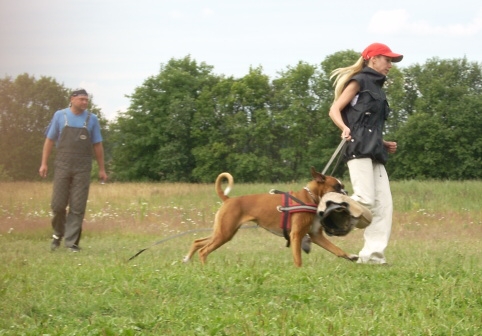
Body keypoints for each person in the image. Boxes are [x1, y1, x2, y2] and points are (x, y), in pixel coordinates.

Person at [328, 42, 402, 264]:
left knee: (384, 205)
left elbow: (368, 123)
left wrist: (383, 141)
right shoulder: (359, 81)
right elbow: (334, 109)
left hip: (375, 149)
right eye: (387, 59)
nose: (390, 64)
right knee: (365, 199)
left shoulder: (379, 89)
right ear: (373, 59)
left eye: (391, 61)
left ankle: (372, 257)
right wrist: (344, 128)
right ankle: (327, 208)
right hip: (358, 146)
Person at [39, 88, 107, 252]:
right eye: (81, 99)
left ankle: (71, 243)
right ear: (72, 99)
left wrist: (102, 169)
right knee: (58, 204)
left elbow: (97, 145)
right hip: (62, 163)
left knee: (78, 206)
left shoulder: (92, 119)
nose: (85, 102)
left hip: (82, 166)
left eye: (86, 100)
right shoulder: (60, 116)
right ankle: (57, 234)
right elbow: (49, 140)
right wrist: (44, 163)